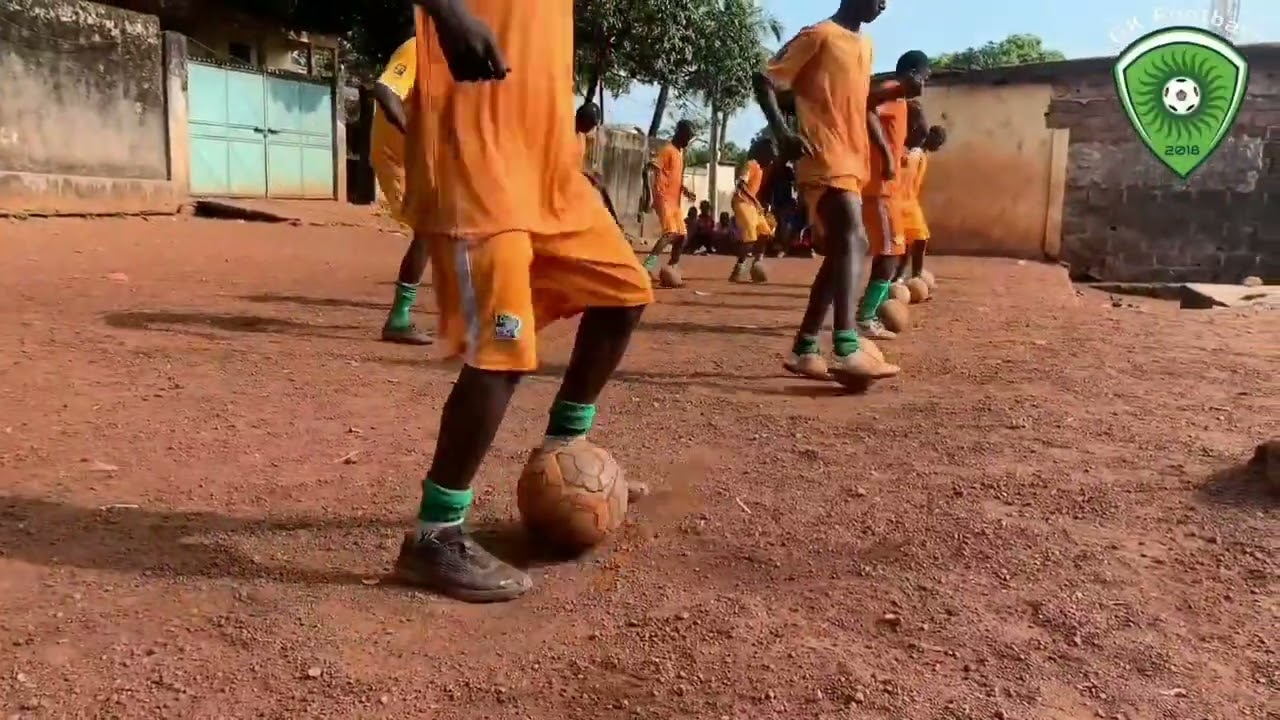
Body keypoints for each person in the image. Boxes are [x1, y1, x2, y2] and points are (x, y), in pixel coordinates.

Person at [394, 0, 654, 602]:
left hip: (549, 172)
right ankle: (435, 536)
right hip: (479, 163)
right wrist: (448, 14)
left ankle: (565, 445)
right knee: (502, 350)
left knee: (624, 292)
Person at [753, 0, 911, 387]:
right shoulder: (818, 35)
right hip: (822, 155)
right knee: (855, 239)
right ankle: (846, 344)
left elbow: (859, 103)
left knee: (844, 247)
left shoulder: (866, 45)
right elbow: (765, 79)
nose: (884, 4)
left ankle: (805, 346)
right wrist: (783, 132)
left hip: (854, 161)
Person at [854, 51, 931, 340]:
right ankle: (865, 317)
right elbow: (865, 107)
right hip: (880, 189)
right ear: (912, 73)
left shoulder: (899, 101)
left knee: (893, 252)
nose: (924, 83)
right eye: (924, 77)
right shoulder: (889, 91)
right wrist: (886, 155)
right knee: (889, 254)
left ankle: (871, 311)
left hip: (889, 191)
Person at [371, 36, 433, 345]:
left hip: (426, 160)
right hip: (400, 159)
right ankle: (398, 318)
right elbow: (385, 90)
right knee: (430, 228)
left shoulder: (454, 55)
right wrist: (412, 135)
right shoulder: (418, 48)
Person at [641, 120, 698, 283]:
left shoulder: (681, 152)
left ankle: (672, 266)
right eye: (687, 136)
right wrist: (648, 194)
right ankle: (647, 267)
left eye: (690, 137)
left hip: (675, 201)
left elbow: (674, 177)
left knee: (682, 236)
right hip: (663, 197)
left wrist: (685, 190)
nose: (688, 140)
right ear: (679, 133)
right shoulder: (667, 150)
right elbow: (649, 169)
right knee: (670, 233)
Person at [892, 113, 936, 283]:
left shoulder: (920, 155)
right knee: (903, 244)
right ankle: (898, 276)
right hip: (896, 203)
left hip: (911, 203)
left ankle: (915, 276)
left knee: (920, 238)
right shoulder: (899, 152)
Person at [728, 139, 777, 283]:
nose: (771, 161)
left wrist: (759, 203)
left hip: (752, 205)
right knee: (750, 236)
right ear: (763, 153)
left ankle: (757, 263)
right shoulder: (750, 164)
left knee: (766, 232)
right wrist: (756, 201)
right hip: (741, 202)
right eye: (770, 156)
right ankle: (739, 268)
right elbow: (741, 185)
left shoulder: (761, 169)